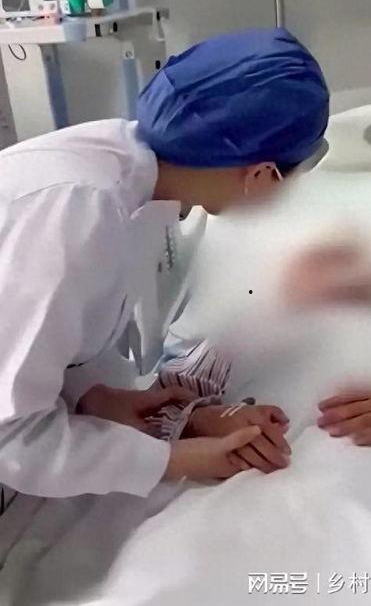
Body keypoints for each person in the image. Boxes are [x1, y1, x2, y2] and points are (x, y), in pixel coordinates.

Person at [0, 27, 352, 499]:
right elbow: (12, 437)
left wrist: (100, 396)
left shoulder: (135, 177)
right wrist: (176, 460)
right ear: (262, 174)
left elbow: (48, 338)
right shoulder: (80, 211)